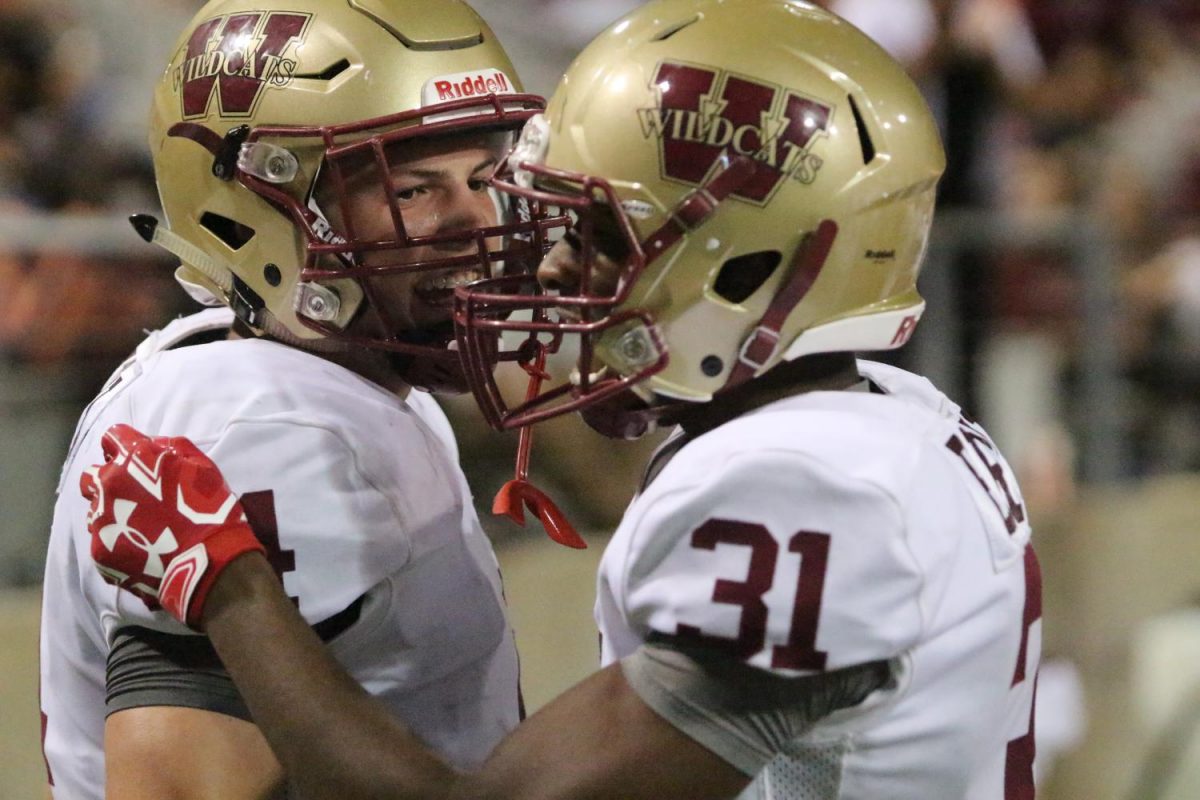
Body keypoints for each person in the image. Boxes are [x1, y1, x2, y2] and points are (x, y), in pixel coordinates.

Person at [83, 1, 1042, 798]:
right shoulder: (898, 417)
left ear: (748, 271)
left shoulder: (800, 492)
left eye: (597, 238)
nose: (546, 266)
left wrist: (232, 587)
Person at [38, 0, 557, 797]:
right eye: (415, 190)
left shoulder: (332, 373)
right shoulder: (261, 426)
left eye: (486, 177)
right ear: (255, 210)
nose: (478, 219)